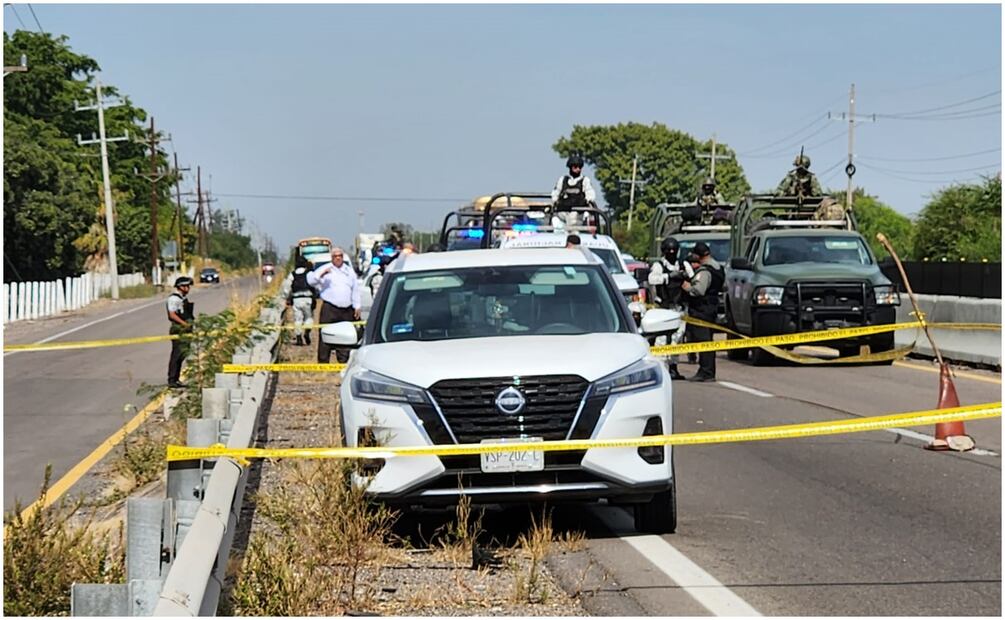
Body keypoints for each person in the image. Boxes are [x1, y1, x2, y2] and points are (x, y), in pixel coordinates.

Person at [647, 237, 694, 380]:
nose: (672, 253)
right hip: (663, 307)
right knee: (661, 339)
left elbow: (693, 277)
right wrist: (668, 276)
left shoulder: (683, 264)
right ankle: (660, 368)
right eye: (669, 251)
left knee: (677, 338)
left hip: (679, 307)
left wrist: (685, 276)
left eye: (674, 251)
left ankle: (673, 367)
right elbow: (652, 279)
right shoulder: (659, 265)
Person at [307, 247, 361, 364]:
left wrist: (357, 306)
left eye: (340, 256)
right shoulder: (325, 269)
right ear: (332, 258)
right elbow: (311, 280)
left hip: (346, 309)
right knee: (325, 333)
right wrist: (322, 274)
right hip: (330, 308)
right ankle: (323, 362)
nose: (338, 258)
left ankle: (343, 361)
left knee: (345, 335)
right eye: (335, 256)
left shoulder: (349, 271)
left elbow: (355, 289)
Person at [681, 242, 725, 382]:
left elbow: (698, 290)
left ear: (697, 255)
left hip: (702, 310)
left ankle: (706, 372)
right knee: (708, 341)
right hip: (711, 308)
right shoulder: (718, 268)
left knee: (703, 341)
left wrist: (687, 287)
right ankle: (707, 371)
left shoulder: (705, 271)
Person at [166, 276, 194, 388]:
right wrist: (184, 324)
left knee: (182, 354)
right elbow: (172, 314)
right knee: (176, 355)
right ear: (180, 287)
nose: (188, 288)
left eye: (188, 286)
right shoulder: (174, 299)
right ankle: (172, 379)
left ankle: (176, 379)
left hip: (185, 329)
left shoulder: (182, 298)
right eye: (186, 286)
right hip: (178, 329)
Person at [286, 254, 317, 346]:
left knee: (298, 319)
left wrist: (286, 297)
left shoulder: (293, 274)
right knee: (309, 317)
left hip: (296, 300)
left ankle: (298, 337)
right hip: (308, 299)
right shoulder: (309, 273)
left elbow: (287, 287)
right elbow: (315, 284)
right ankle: (307, 331)